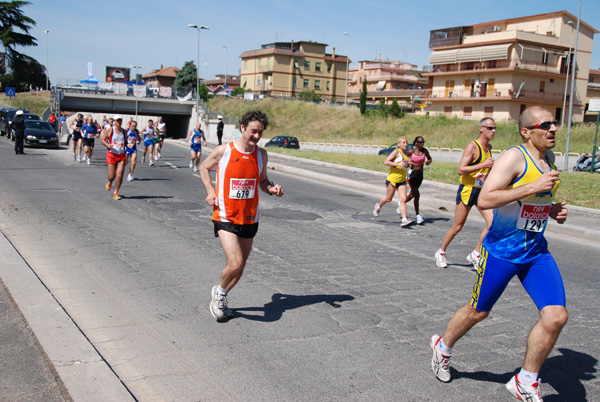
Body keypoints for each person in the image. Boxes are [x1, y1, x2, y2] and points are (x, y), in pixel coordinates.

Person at [430, 106, 567, 401]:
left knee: (556, 317)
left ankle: (525, 380)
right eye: (546, 125)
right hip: (503, 252)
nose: (553, 129)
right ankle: (442, 347)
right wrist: (532, 185)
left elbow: (533, 202)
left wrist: (552, 210)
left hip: (535, 252)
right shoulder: (514, 158)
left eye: (554, 123)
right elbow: (486, 198)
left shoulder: (549, 158)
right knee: (478, 311)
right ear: (526, 131)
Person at [199, 110, 284, 321]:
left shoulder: (261, 155)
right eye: (253, 131)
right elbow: (203, 167)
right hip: (226, 216)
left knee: (240, 266)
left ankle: (222, 294)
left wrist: (271, 189)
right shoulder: (224, 151)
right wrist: (210, 191)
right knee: (235, 263)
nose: (256, 136)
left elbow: (263, 182)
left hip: (249, 217)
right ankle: (219, 293)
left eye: (260, 133)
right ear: (243, 127)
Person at [434, 118, 495, 268]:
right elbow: (461, 169)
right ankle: (441, 252)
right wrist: (484, 164)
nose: (493, 131)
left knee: (493, 223)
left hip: (481, 191)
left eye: (494, 128)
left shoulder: (489, 148)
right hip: (468, 190)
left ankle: (476, 253)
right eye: (490, 128)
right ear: (481, 128)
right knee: (458, 226)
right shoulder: (472, 147)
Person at [373, 136, 412, 227]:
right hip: (392, 180)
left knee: (403, 200)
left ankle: (404, 220)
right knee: (388, 199)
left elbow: (403, 166)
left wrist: (408, 165)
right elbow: (386, 162)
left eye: (406, 142)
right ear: (398, 144)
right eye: (403, 142)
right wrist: (397, 164)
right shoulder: (396, 152)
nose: (405, 144)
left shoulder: (406, 154)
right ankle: (378, 207)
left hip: (402, 180)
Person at [100, 115, 128, 200]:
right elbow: (102, 139)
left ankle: (116, 192)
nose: (119, 122)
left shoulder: (124, 131)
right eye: (118, 120)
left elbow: (125, 142)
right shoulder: (110, 130)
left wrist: (128, 145)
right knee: (112, 176)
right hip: (112, 154)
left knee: (119, 175)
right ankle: (110, 182)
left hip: (121, 155)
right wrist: (108, 144)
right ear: (114, 121)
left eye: (120, 121)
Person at [406, 136, 432, 224]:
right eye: (420, 142)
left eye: (423, 142)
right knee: (417, 194)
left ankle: (402, 203)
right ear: (416, 143)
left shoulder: (425, 151)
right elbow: (403, 159)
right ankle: (418, 216)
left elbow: (430, 158)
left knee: (412, 194)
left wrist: (428, 162)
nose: (422, 144)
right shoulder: (411, 152)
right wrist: (407, 164)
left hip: (420, 174)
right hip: (412, 174)